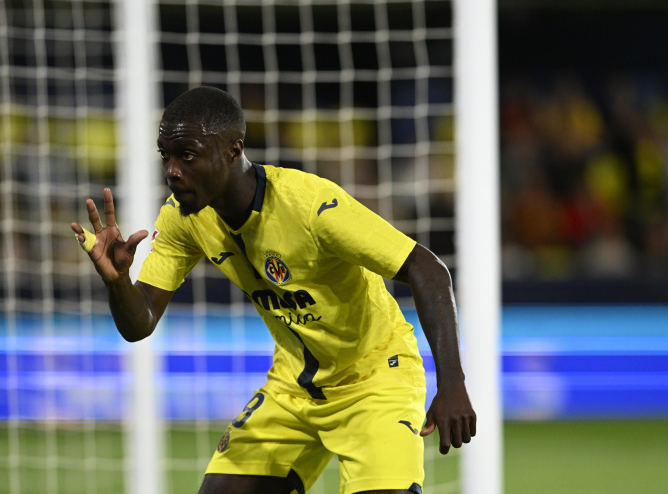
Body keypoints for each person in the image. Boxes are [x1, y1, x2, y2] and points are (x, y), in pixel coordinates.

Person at [71, 86, 476, 494]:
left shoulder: (312, 207)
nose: (172, 170)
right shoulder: (183, 218)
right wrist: (118, 281)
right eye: (166, 156)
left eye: (187, 155)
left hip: (375, 380)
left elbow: (428, 269)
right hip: (293, 385)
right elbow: (139, 323)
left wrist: (453, 384)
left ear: (233, 150)